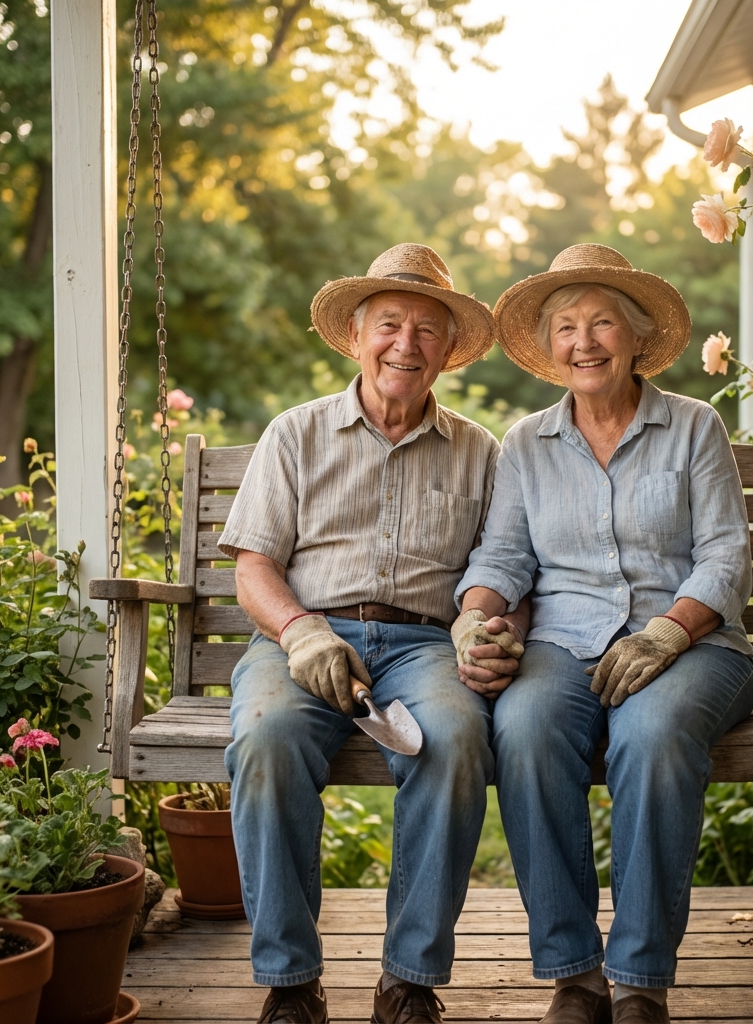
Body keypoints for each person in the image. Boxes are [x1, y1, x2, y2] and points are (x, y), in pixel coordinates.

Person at [219, 244, 525, 1024]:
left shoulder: (481, 452)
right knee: (268, 739)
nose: (406, 344)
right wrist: (300, 633)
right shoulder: (296, 434)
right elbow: (253, 567)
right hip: (305, 637)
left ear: (449, 350)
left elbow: (507, 568)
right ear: (356, 335)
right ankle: (290, 984)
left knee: (456, 740)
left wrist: (487, 627)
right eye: (389, 324)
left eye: (428, 330)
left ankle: (409, 981)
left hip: (426, 646)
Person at [452, 244, 753, 1024]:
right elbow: (503, 555)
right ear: (549, 347)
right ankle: (575, 973)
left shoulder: (694, 427)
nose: (583, 342)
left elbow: (726, 555)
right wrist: (474, 615)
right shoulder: (526, 443)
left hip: (691, 644)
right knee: (521, 728)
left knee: (652, 737)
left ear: (635, 337)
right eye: (565, 327)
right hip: (563, 641)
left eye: (601, 324)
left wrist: (667, 632)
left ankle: (642, 979)